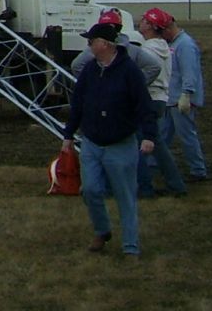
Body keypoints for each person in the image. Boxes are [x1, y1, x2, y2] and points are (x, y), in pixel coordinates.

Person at [62, 22, 158, 257]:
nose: (88, 46)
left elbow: (144, 105)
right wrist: (68, 135)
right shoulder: (90, 70)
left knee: (125, 196)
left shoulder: (129, 72)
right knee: (91, 190)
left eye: (91, 42)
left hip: (121, 145)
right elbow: (78, 104)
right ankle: (102, 230)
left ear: (105, 45)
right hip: (92, 142)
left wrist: (148, 136)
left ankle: (130, 247)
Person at [136, 8, 189, 197]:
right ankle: (176, 184)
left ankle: (144, 186)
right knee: (157, 144)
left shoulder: (147, 50)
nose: (140, 22)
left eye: (143, 20)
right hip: (161, 99)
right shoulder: (165, 47)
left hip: (148, 98)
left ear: (150, 26)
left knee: (141, 142)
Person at [154, 8, 208, 180]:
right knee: (161, 135)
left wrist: (187, 94)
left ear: (168, 28)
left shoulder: (185, 45)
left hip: (181, 99)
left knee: (186, 135)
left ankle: (198, 171)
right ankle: (154, 166)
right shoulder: (173, 44)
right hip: (170, 99)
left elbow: (189, 72)